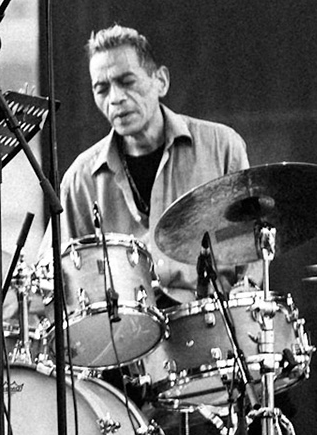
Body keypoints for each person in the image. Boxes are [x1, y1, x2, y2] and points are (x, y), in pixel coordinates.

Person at [59, 24, 249, 305]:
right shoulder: (80, 179)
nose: (115, 98)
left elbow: (253, 246)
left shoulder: (222, 145)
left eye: (127, 82)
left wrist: (247, 290)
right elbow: (59, 273)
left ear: (161, 81)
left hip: (214, 324)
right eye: (102, 89)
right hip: (127, 337)